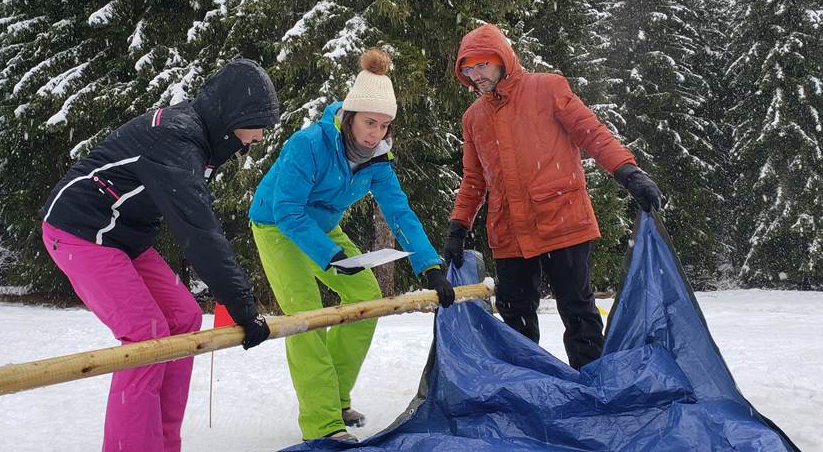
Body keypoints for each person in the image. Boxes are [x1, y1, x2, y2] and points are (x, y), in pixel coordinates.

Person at [39, 59, 279, 452]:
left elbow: (191, 219)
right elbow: (198, 230)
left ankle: (164, 444)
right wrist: (243, 307)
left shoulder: (205, 137)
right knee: (145, 337)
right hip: (78, 230)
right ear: (234, 112)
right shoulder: (176, 140)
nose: (260, 135)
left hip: (123, 237)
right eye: (259, 123)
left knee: (184, 318)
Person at [248, 48, 455, 443]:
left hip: (324, 227)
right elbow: (287, 209)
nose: (375, 133)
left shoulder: (378, 159)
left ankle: (337, 397)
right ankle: (323, 424)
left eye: (383, 125)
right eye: (369, 122)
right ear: (349, 117)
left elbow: (399, 212)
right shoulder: (309, 144)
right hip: (277, 226)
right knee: (305, 318)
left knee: (365, 298)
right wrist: (330, 255)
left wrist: (429, 264)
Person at [442, 24, 663, 370]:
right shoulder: (473, 118)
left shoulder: (547, 89)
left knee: (578, 312)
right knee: (515, 319)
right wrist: (458, 226)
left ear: (502, 59)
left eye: (482, 65)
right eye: (467, 69)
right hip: (509, 232)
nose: (475, 75)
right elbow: (473, 180)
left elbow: (592, 134)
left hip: (563, 220)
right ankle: (526, 391)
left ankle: (592, 384)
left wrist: (628, 173)